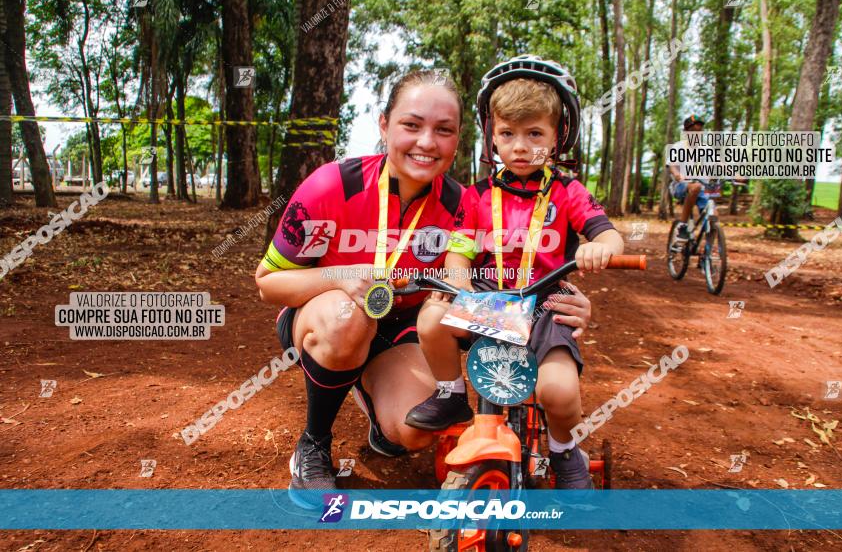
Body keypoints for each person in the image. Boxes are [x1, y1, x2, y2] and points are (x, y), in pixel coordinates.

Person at [253, 69, 596, 500]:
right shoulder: (333, 185)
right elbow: (268, 284)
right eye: (411, 125)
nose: (427, 142)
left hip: (403, 329)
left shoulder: (465, 204)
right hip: (325, 316)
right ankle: (314, 445)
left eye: (444, 130)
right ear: (384, 125)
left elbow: (509, 282)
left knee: (413, 431)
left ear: (460, 138)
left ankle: (381, 417)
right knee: (347, 318)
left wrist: (564, 300)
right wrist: (341, 277)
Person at [405, 55, 625, 489]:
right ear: (492, 136)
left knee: (559, 391)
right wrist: (458, 277)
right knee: (431, 317)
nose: (520, 146)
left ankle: (564, 452)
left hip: (545, 303)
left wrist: (602, 248)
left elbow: (609, 235)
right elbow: (459, 251)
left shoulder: (568, 191)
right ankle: (451, 395)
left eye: (534, 134)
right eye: (508, 134)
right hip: (490, 299)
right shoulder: (477, 195)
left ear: (558, 137)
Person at [669, 115, 709, 247]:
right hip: (680, 186)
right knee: (695, 186)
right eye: (694, 131)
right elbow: (672, 166)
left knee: (712, 216)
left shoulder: (706, 149)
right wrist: (677, 174)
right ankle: (682, 227)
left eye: (700, 131)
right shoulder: (678, 147)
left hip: (701, 188)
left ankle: (707, 252)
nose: (698, 134)